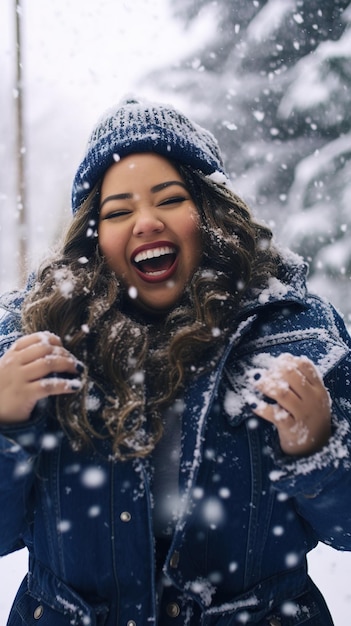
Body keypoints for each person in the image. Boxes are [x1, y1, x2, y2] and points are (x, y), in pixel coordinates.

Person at [0, 97, 351, 626]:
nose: (145, 222)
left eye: (168, 199)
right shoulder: (31, 340)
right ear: (93, 237)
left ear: (209, 213)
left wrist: (318, 448)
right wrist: (5, 425)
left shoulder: (296, 333)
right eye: (118, 211)